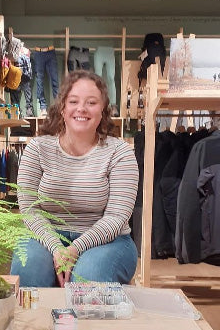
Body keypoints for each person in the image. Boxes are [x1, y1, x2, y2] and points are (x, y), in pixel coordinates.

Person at [10, 70, 139, 287]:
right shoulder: (37, 148)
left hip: (108, 242)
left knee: (87, 276)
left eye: (91, 102)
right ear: (62, 108)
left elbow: (116, 218)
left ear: (103, 110)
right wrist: (56, 248)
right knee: (29, 269)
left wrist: (74, 250)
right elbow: (29, 210)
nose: (81, 109)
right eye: (73, 101)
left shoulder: (120, 153)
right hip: (44, 236)